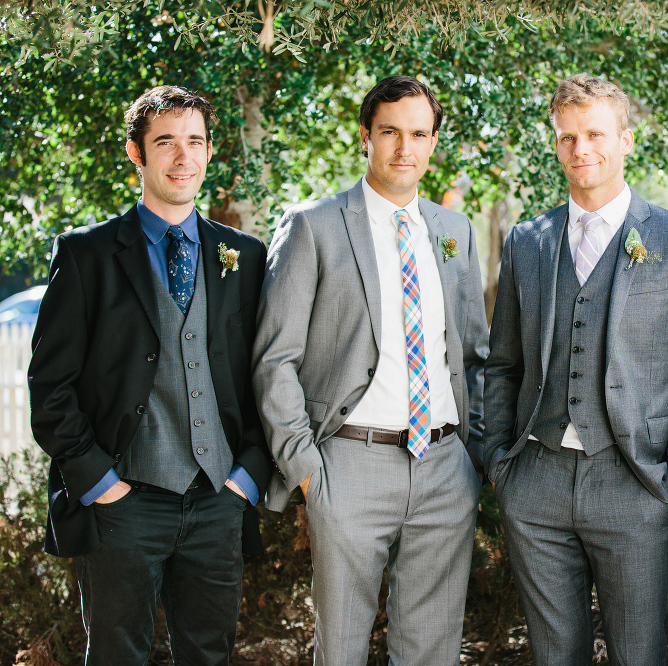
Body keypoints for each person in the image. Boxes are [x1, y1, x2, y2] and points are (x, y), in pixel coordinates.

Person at [482, 74, 668, 665]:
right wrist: (499, 465)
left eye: (595, 134)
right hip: (535, 481)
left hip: (634, 483)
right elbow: (504, 363)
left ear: (626, 140)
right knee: (553, 657)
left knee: (638, 655)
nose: (580, 149)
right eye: (567, 138)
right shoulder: (527, 241)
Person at [28, 85, 271, 665]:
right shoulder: (87, 254)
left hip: (219, 499)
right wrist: (97, 482)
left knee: (210, 655)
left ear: (210, 151)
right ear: (138, 154)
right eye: (165, 142)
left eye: (194, 141)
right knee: (116, 655)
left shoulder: (245, 256)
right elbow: (50, 388)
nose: (182, 156)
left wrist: (248, 477)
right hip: (122, 503)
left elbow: (266, 373)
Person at [253, 75, 489, 665]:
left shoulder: (455, 233)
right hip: (348, 466)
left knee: (432, 651)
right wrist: (306, 469)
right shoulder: (314, 226)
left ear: (433, 143)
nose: (403, 148)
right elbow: (274, 358)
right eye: (389, 132)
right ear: (366, 137)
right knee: (341, 649)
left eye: (417, 134)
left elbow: (475, 356)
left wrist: (476, 453)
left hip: (443, 467)